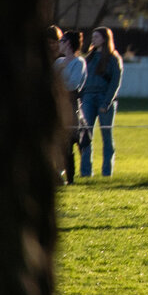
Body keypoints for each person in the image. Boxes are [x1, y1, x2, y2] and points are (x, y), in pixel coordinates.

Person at [79, 28, 123, 179]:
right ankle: (85, 172)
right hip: (88, 98)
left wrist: (107, 102)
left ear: (105, 39)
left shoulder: (113, 58)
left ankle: (107, 172)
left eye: (97, 37)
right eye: (93, 36)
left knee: (106, 136)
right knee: (85, 135)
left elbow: (115, 82)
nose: (93, 39)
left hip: (104, 97)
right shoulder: (88, 58)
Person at [54, 29, 87, 186]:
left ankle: (70, 178)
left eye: (62, 41)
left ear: (68, 43)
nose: (59, 44)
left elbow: (74, 84)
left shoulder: (79, 63)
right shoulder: (58, 62)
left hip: (71, 106)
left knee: (68, 143)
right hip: (56, 105)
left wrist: (58, 86)